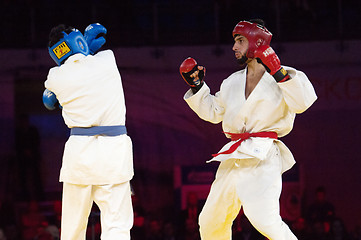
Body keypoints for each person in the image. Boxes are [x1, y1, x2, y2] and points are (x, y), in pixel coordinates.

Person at [179, 19, 317, 240]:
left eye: (240, 41)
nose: (234, 47)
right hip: (234, 155)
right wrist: (197, 87)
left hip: (262, 155)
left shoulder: (286, 76)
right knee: (210, 221)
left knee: (265, 221)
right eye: (235, 41)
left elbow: (302, 103)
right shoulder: (232, 82)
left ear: (257, 41)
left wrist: (279, 72)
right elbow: (214, 112)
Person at [43, 23, 134, 239]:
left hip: (80, 154)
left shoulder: (54, 76)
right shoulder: (107, 60)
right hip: (114, 152)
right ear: (79, 42)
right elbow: (85, 62)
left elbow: (50, 97)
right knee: (117, 226)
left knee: (73, 228)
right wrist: (87, 51)